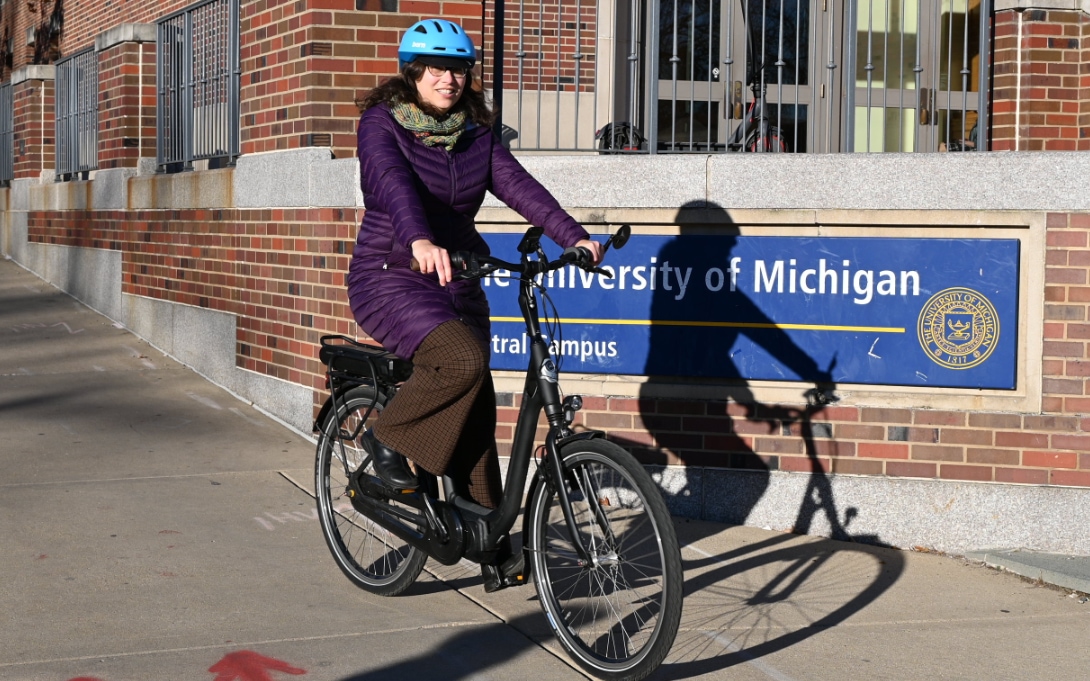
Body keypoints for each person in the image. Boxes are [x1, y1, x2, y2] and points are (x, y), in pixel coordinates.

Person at [347, 19, 601, 535]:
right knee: (460, 360)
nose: (450, 79)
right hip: (391, 274)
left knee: (476, 412)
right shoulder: (382, 123)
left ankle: (486, 535)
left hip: (458, 276)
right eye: (438, 68)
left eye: (459, 69)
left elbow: (519, 187)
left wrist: (572, 236)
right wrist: (419, 240)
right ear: (413, 72)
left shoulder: (475, 135)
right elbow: (393, 184)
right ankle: (385, 440)